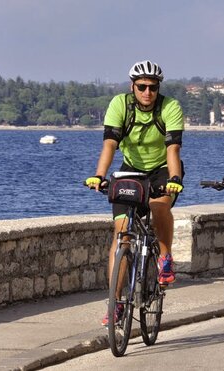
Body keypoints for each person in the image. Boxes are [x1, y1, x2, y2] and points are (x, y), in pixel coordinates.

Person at [85, 60, 185, 325]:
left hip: (163, 169)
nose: (147, 92)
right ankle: (116, 304)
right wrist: (99, 175)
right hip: (130, 170)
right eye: (142, 87)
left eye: (153, 87)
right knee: (121, 235)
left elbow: (173, 149)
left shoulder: (170, 107)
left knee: (158, 205)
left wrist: (174, 179)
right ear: (133, 86)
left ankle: (164, 257)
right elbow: (110, 144)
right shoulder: (120, 105)